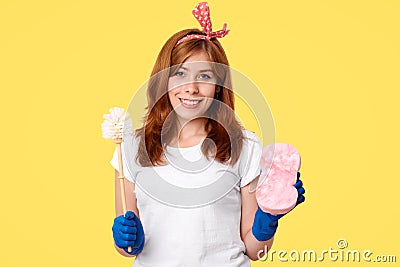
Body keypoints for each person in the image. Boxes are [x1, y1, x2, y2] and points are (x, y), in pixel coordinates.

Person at [110, 2, 305, 266]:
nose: (191, 88)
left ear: (218, 86)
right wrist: (128, 240)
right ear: (163, 80)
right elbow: (127, 249)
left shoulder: (244, 147)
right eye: (179, 74)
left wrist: (266, 222)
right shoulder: (132, 147)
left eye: (204, 75)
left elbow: (254, 251)